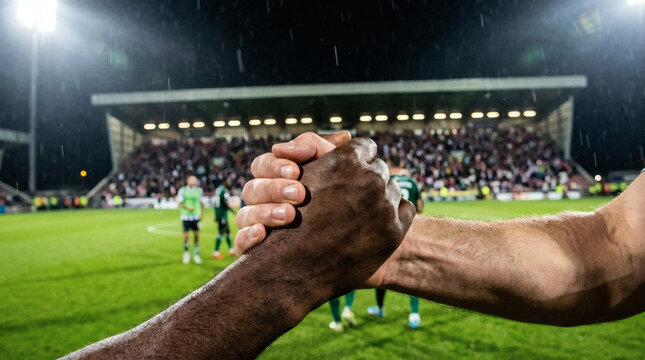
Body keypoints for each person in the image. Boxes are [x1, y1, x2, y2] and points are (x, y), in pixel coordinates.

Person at [235, 132, 645, 327]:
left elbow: (615, 249)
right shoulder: (405, 185)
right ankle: (395, 311)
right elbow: (614, 248)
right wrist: (385, 241)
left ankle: (361, 313)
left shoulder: (397, 179)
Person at [62, 138, 414, 359]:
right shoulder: (198, 193)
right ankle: (190, 253)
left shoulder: (203, 193)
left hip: (207, 220)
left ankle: (195, 252)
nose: (192, 182)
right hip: (208, 219)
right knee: (210, 232)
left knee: (209, 235)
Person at [366, 154, 423, 329]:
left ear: (389, 164)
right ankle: (414, 314)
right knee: (412, 274)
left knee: (382, 271)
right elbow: (420, 207)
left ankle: (380, 308)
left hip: (388, 232)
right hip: (410, 231)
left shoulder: (386, 180)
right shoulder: (412, 182)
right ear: (403, 163)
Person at [177, 176, 205, 264]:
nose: (194, 181)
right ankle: (186, 253)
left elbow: (201, 203)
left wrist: (202, 214)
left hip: (195, 216)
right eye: (192, 179)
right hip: (186, 216)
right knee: (186, 236)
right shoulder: (182, 190)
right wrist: (188, 207)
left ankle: (196, 254)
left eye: (195, 180)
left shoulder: (199, 190)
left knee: (196, 236)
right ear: (187, 181)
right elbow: (179, 203)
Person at [213, 180, 236, 259]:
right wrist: (234, 211)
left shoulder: (218, 189)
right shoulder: (224, 191)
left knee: (227, 231)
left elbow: (215, 203)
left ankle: (231, 250)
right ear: (225, 182)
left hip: (219, 214)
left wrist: (216, 215)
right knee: (221, 233)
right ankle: (215, 252)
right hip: (223, 214)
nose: (230, 183)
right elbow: (225, 204)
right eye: (228, 182)